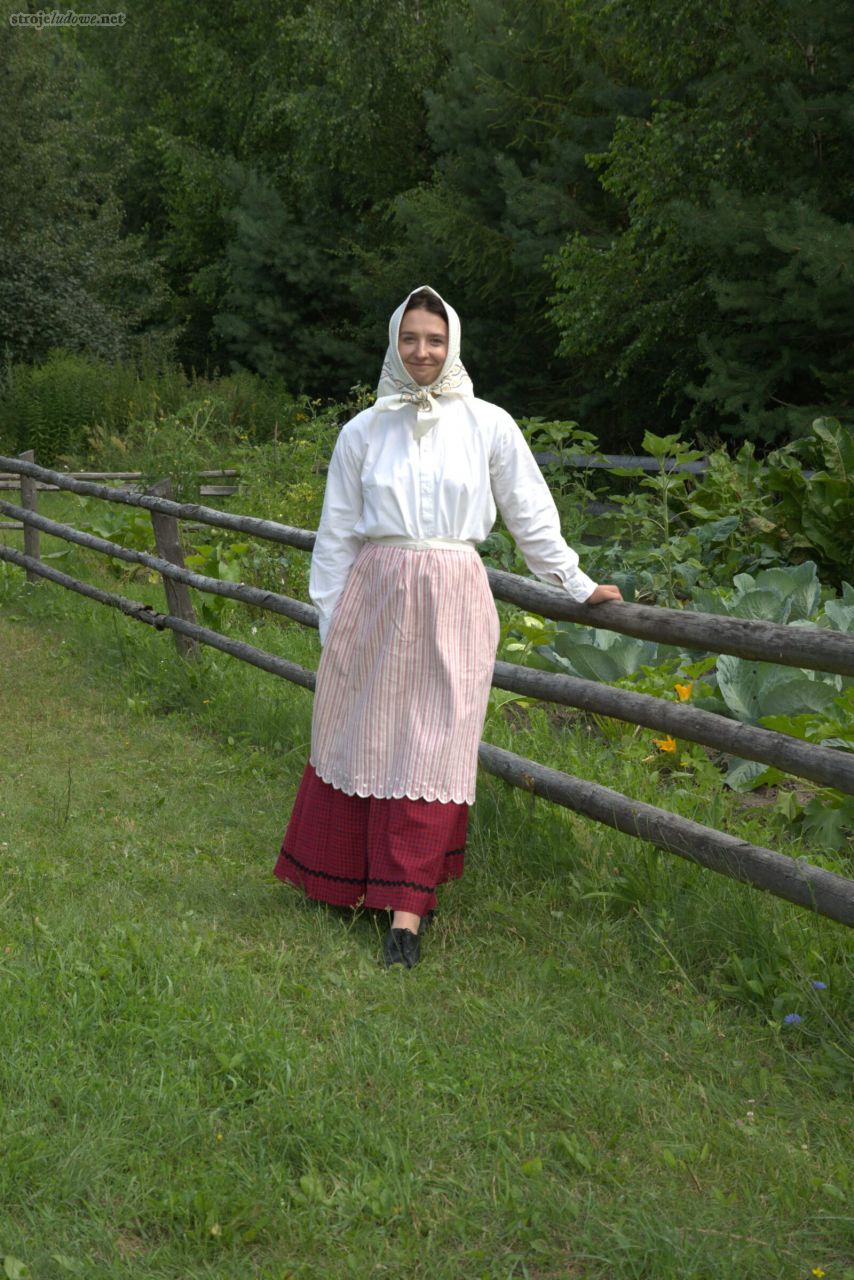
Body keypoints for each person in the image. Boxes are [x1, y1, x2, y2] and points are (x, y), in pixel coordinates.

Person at [274, 285, 622, 968]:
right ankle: (347, 881)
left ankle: (406, 914)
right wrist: (330, 622)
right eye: (411, 339)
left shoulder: (488, 424)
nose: (423, 352)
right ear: (394, 345)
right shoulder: (363, 430)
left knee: (437, 745)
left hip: (456, 598)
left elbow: (529, 513)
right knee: (364, 735)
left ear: (452, 343)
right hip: (373, 599)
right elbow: (337, 534)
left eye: (434, 340)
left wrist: (577, 583)